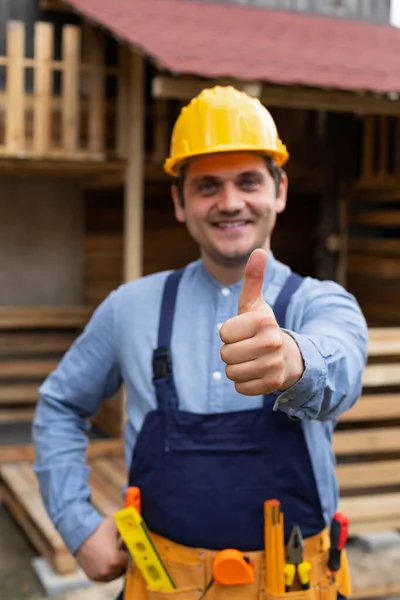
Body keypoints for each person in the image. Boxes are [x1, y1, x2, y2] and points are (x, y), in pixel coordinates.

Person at [33, 86, 368, 600]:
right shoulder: (130, 308)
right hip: (161, 587)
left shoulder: (323, 303)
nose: (230, 203)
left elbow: (340, 368)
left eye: (248, 182)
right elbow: (60, 405)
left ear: (279, 190)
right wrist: (76, 524)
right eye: (207, 186)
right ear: (179, 202)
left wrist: (294, 361)